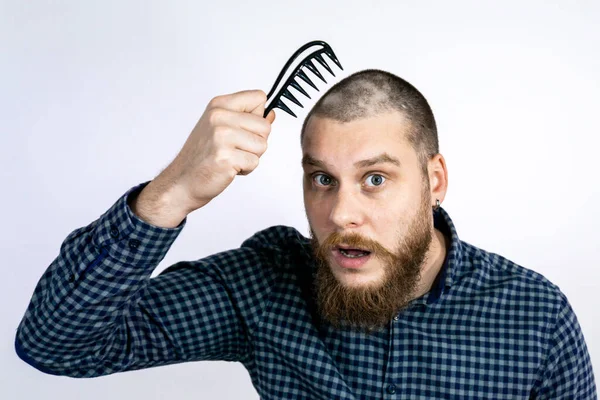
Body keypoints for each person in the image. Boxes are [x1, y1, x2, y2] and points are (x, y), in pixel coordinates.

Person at [15, 69, 596, 399]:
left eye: (374, 178)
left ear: (433, 180)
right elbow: (56, 344)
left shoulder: (533, 317)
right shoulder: (266, 285)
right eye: (322, 178)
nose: (342, 213)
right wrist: (172, 193)